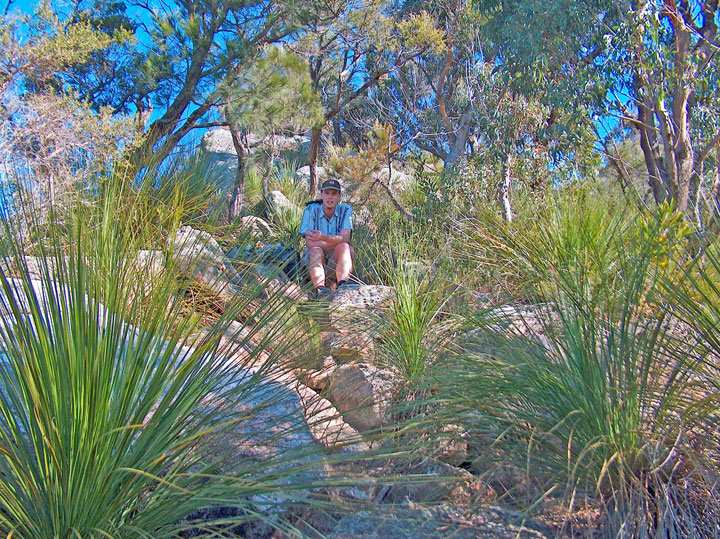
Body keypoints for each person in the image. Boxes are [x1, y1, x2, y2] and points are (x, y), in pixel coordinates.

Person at [299, 178, 353, 297]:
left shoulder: (346, 210)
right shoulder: (311, 210)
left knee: (344, 247)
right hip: (315, 262)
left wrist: (322, 237)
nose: (330, 197)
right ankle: (320, 290)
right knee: (315, 251)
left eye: (333, 194)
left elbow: (346, 238)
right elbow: (310, 244)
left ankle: (342, 286)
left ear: (339, 196)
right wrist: (335, 241)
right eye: (327, 193)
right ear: (321, 194)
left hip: (335, 262)